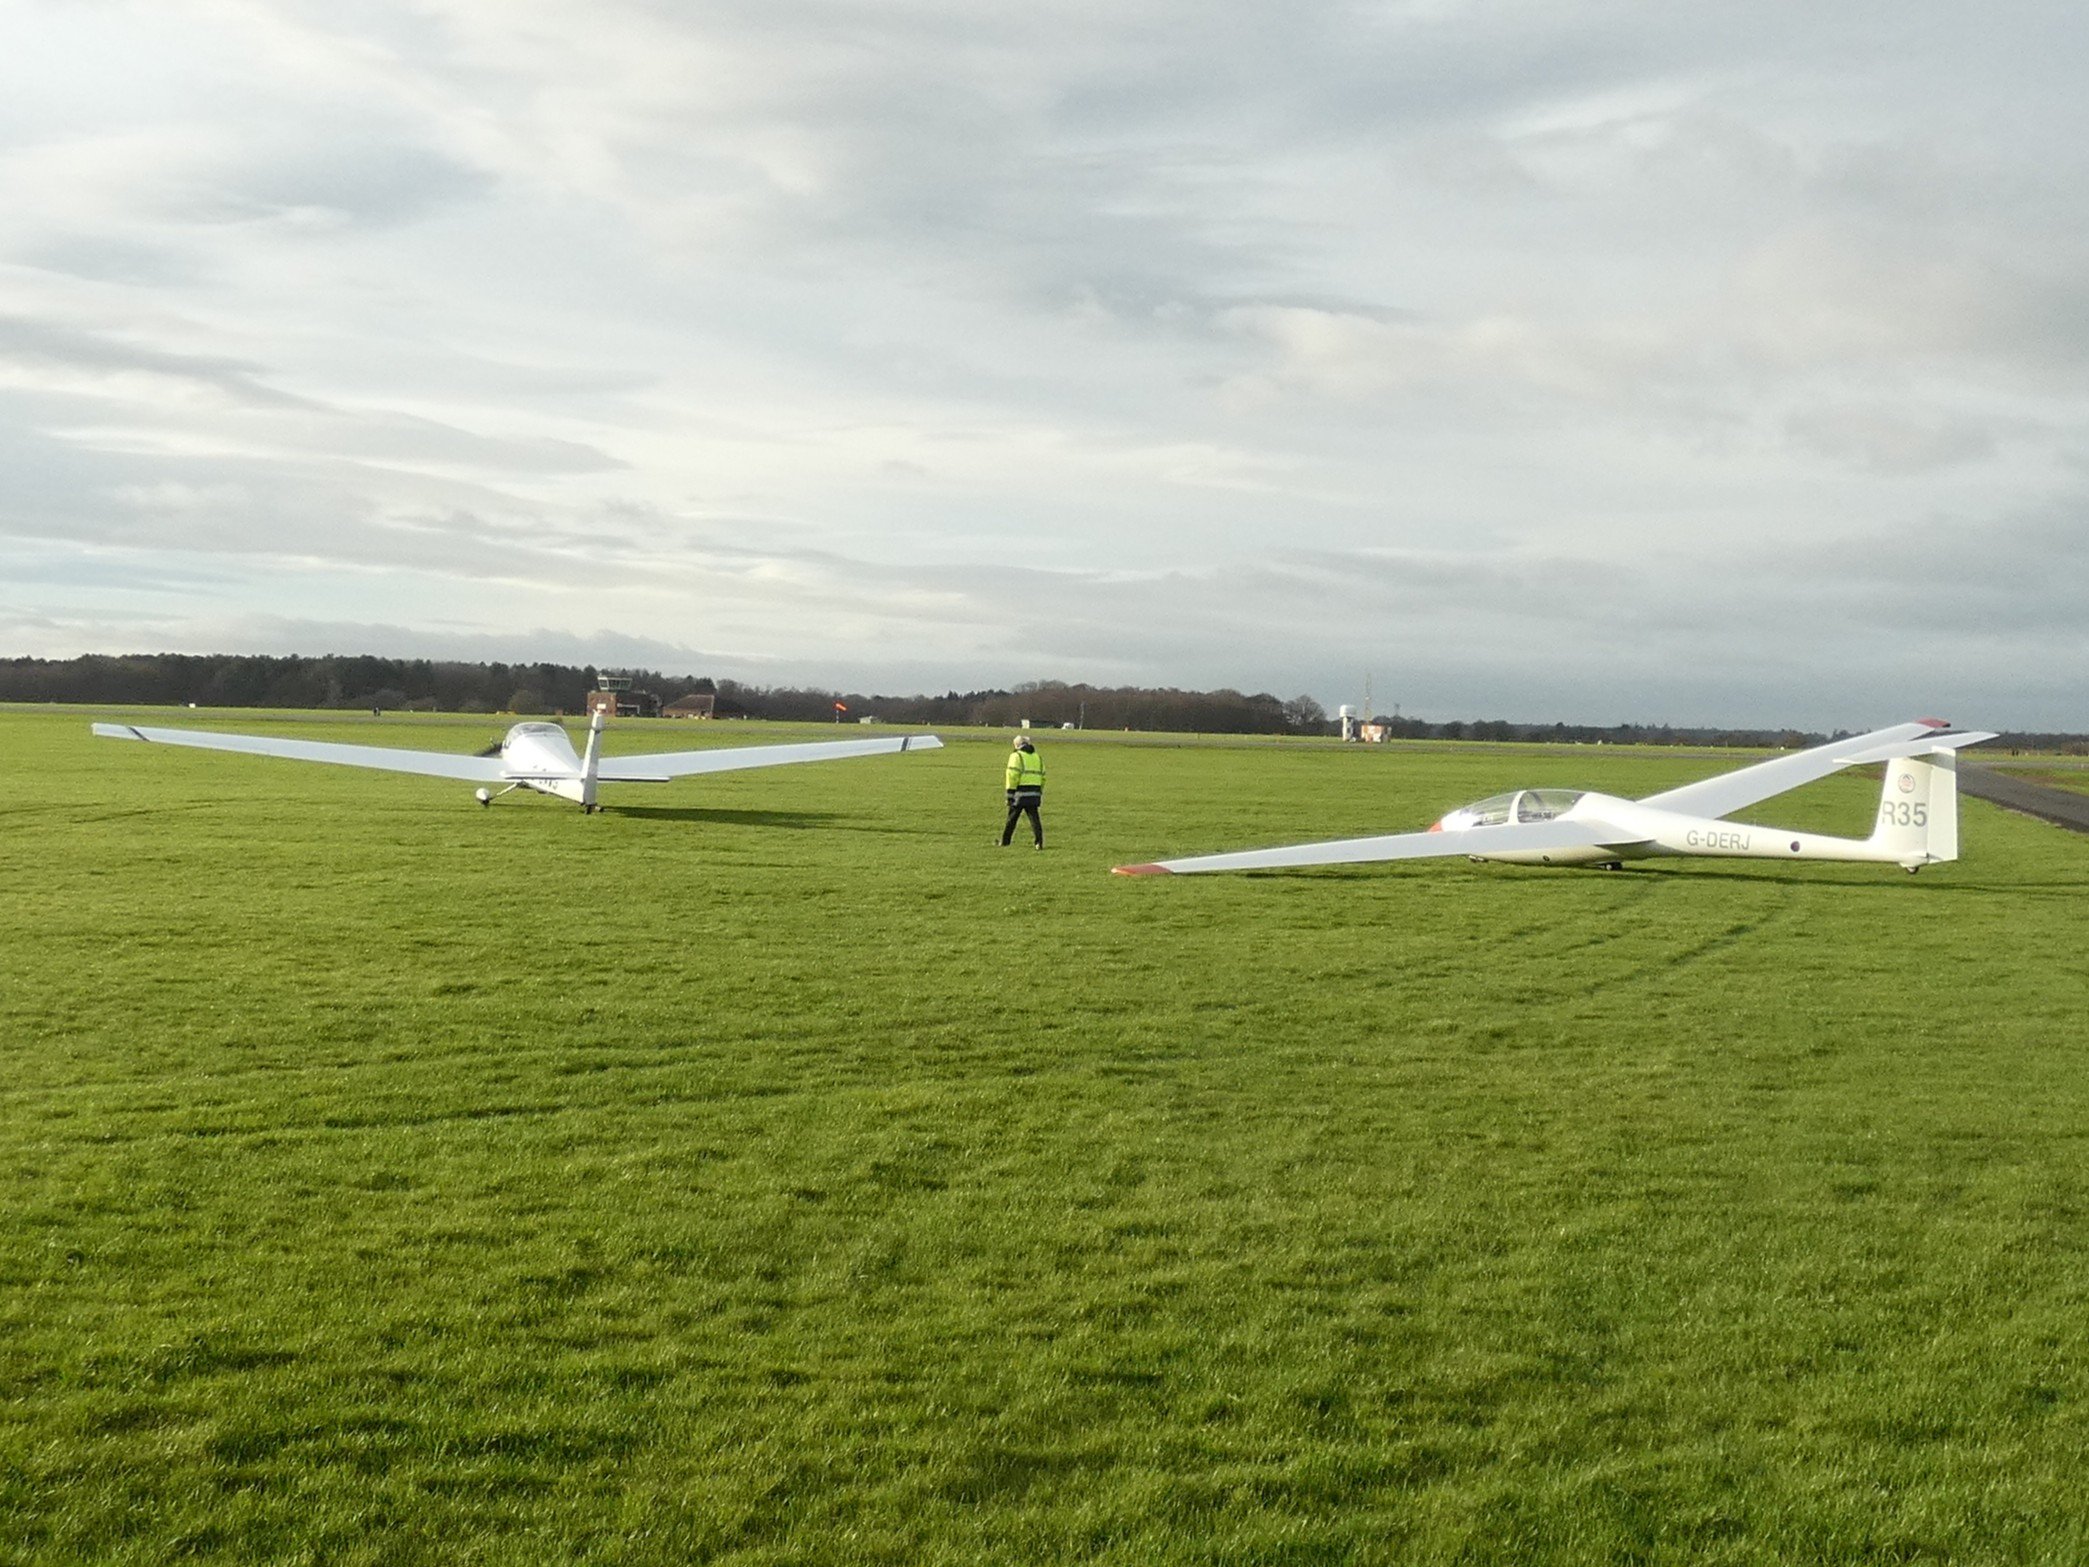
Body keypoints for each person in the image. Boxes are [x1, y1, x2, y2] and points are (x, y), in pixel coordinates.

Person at [1001, 735, 1045, 848]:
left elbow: (1012, 776)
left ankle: (1005, 842)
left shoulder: (1016, 756)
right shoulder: (1037, 757)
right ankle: (1039, 842)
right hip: (1034, 792)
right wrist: (1040, 790)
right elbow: (1043, 776)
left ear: (1017, 745)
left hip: (1020, 792)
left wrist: (1010, 794)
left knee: (1012, 818)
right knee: (1034, 818)